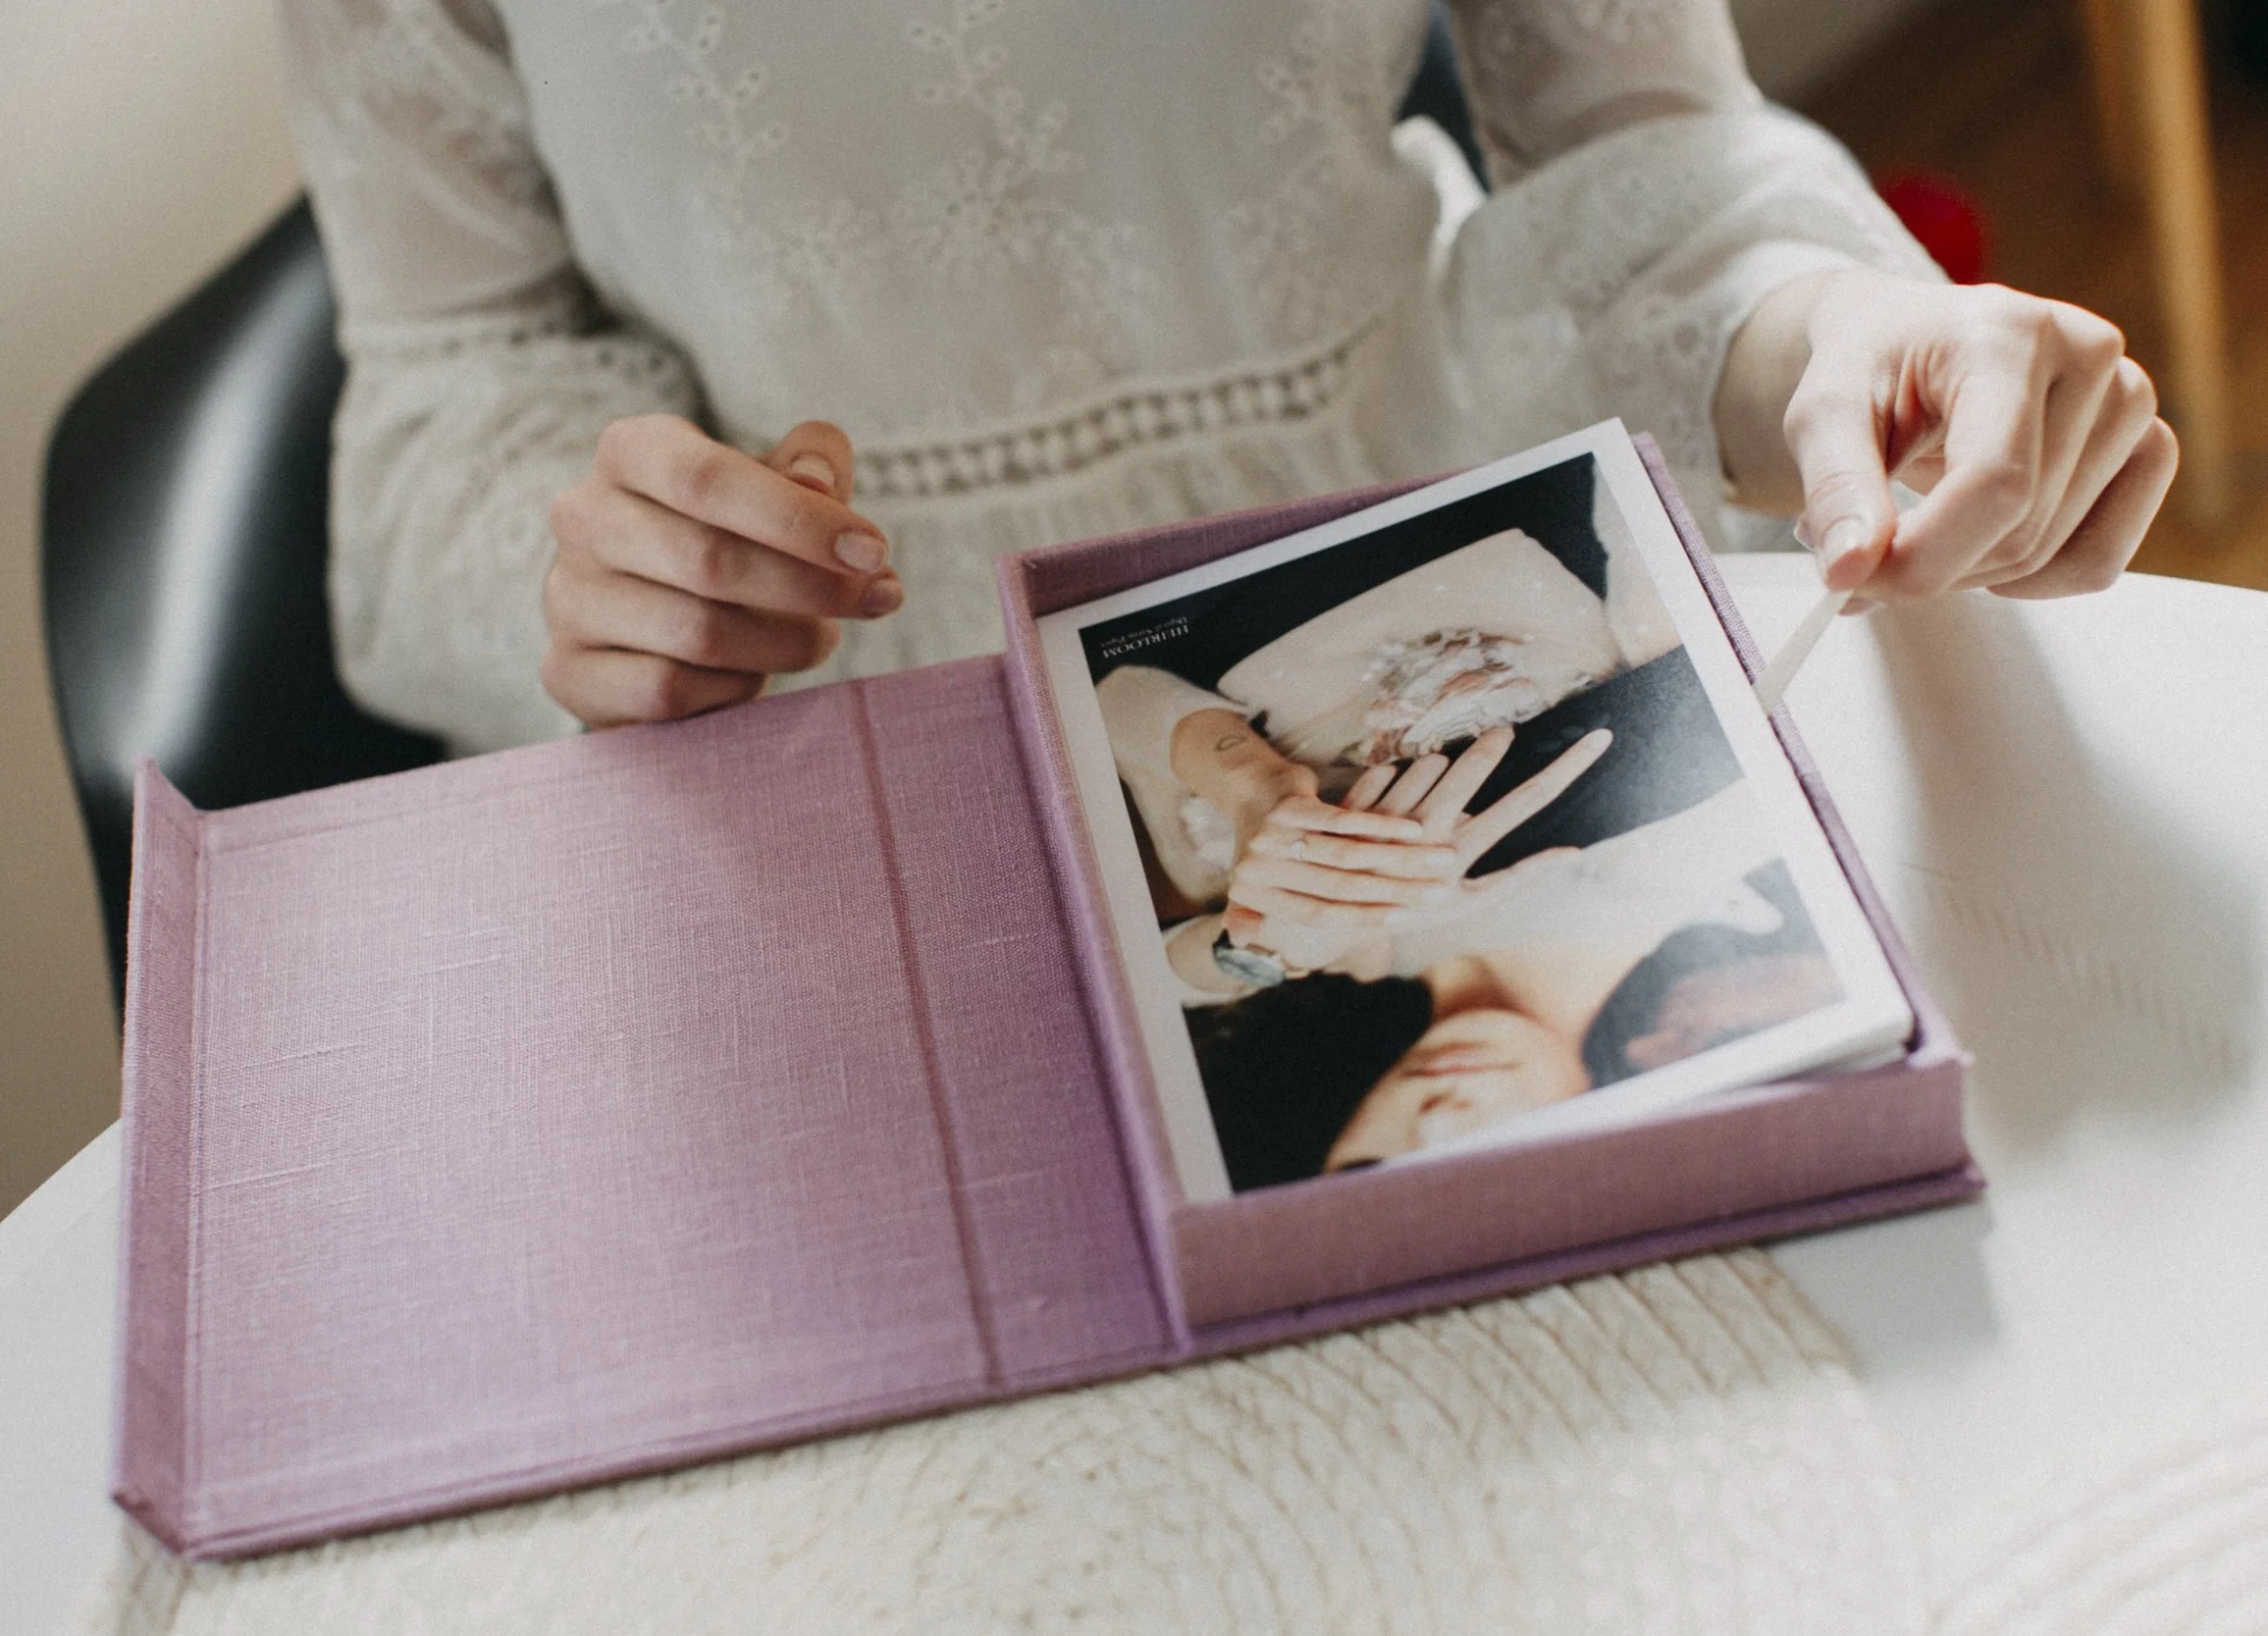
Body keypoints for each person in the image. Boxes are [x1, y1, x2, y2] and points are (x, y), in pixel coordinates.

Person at [281, 0, 2176, 757]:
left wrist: (1836, 336)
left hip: (1447, 630)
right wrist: (591, 563)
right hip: (832, 753)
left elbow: (1642, 150)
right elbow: (452, 385)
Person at [1187, 860, 1837, 1188]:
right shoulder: (1743, 908)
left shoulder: (1301, 936)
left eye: (1370, 1165)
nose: (1438, 1115)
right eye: (1485, 1158)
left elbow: (1128, 693)